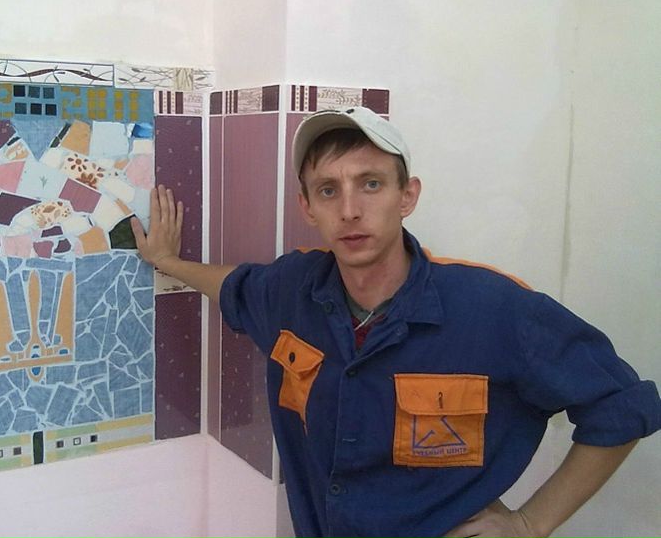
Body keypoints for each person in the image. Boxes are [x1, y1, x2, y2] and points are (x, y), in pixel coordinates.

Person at [132, 106, 660, 538]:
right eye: (328, 190)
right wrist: (168, 262)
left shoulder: (494, 309)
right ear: (307, 207)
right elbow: (234, 285)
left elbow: (621, 405)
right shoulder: (292, 291)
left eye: (371, 184)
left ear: (407, 196)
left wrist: (530, 523)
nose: (350, 210)